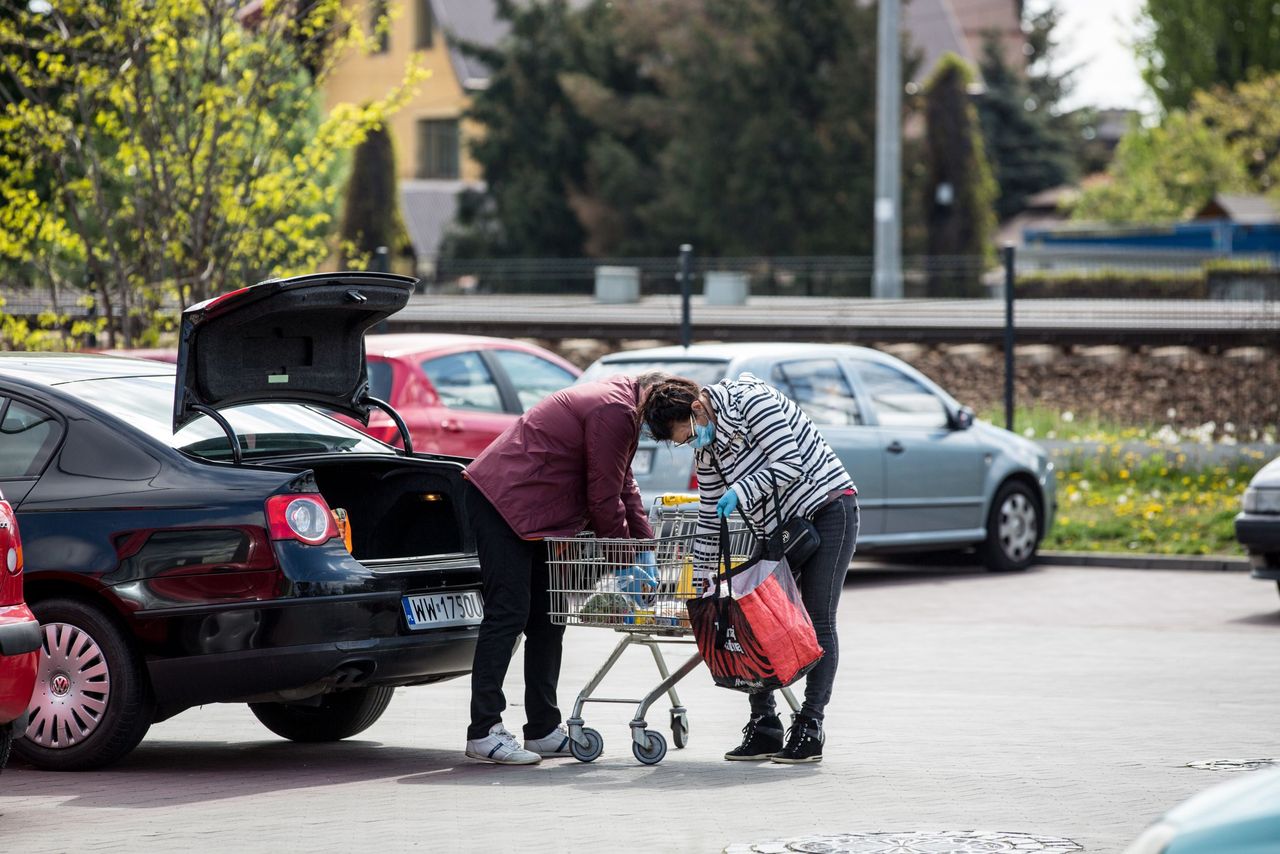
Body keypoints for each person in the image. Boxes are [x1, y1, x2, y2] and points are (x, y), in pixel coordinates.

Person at [638, 373, 859, 764]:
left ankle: (810, 726)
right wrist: (701, 577)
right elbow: (709, 515)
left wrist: (742, 489)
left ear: (696, 409)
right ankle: (765, 725)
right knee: (753, 618)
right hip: (777, 530)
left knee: (818, 618)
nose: (691, 445)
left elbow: (789, 462)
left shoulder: (752, 400)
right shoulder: (706, 448)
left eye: (686, 437)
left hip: (827, 509)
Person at [462, 373, 660, 765]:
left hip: (535, 510)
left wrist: (646, 549)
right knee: (508, 612)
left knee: (548, 619)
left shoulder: (624, 405)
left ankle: (542, 729)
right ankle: (483, 731)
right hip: (505, 501)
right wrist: (624, 561)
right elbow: (603, 497)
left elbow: (625, 485)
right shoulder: (615, 409)